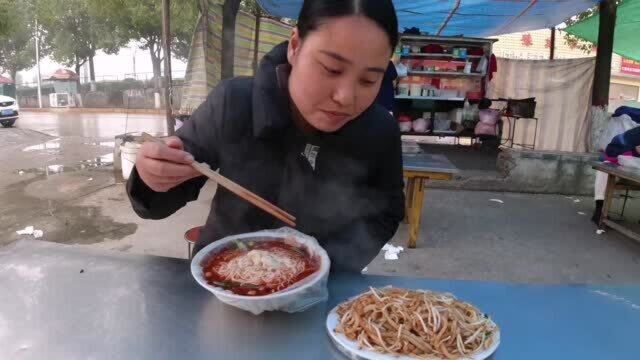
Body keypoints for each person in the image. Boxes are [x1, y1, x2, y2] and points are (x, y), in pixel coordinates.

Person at [126, 0, 405, 272]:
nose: (345, 97)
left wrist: (326, 266)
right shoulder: (234, 102)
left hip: (326, 288)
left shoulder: (380, 130)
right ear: (295, 47)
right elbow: (158, 202)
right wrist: (153, 179)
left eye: (368, 80)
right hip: (224, 281)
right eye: (332, 69)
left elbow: (386, 212)